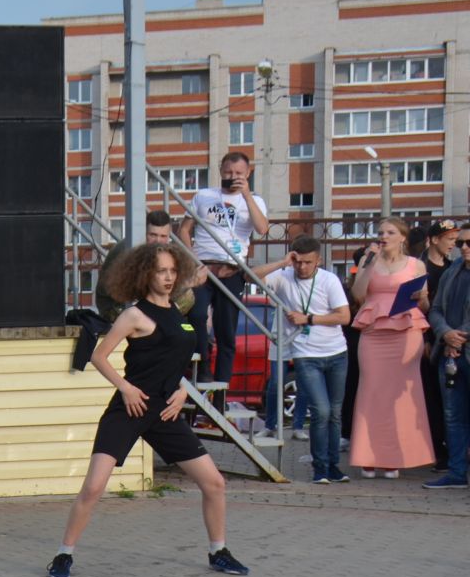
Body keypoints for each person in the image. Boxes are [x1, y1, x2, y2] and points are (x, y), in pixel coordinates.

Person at [50, 240, 242, 577]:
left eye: (172, 271)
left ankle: (218, 551)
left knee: (215, 483)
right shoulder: (134, 314)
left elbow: (173, 363)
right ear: (145, 274)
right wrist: (125, 388)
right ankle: (64, 555)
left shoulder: (178, 315)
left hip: (165, 412)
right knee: (94, 487)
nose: (168, 278)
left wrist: (183, 390)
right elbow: (98, 355)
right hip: (130, 408)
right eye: (160, 271)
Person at [261, 236, 352, 483]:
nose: (302, 267)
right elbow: (251, 276)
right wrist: (282, 262)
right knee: (320, 410)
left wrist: (309, 319)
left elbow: (344, 316)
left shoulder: (329, 280)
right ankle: (320, 467)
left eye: (308, 262)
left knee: (334, 412)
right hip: (305, 354)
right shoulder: (284, 275)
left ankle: (334, 466)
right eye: (298, 261)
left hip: (335, 353)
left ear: (318, 261)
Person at [348, 218, 433, 478]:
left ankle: (393, 458)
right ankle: (368, 456)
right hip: (373, 334)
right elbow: (359, 295)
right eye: (381, 232)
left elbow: (425, 306)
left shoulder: (416, 265)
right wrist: (369, 262)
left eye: (390, 232)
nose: (383, 236)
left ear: (402, 237)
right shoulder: (369, 262)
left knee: (401, 396)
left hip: (406, 333)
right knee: (371, 391)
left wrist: (423, 298)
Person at [180, 152, 270, 385]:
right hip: (203, 268)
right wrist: (193, 258)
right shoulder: (204, 196)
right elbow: (183, 230)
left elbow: (262, 229)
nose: (233, 177)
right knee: (197, 314)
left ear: (248, 173)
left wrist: (247, 194)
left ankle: (222, 387)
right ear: (220, 171)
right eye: (229, 173)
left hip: (232, 270)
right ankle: (202, 367)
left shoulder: (255, 201)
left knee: (226, 331)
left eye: (239, 173)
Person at [423, 234, 470, 488]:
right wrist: (446, 334)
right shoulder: (452, 272)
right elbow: (436, 308)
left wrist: (459, 336)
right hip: (449, 354)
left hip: (462, 347)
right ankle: (456, 472)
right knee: (453, 416)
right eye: (461, 242)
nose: (463, 247)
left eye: (469, 243)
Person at [95, 209, 198, 321]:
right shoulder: (131, 248)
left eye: (163, 236)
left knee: (188, 296)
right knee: (184, 298)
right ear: (144, 232)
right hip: (115, 306)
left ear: (169, 235)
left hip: (137, 302)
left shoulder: (160, 251)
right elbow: (137, 290)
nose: (158, 240)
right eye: (153, 235)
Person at [418, 220, 459, 465]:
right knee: (432, 396)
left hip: (450, 339)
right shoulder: (419, 268)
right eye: (450, 238)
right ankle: (437, 450)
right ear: (434, 239)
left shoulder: (454, 268)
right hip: (428, 340)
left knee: (452, 398)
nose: (453, 244)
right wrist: (424, 338)